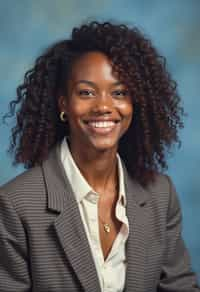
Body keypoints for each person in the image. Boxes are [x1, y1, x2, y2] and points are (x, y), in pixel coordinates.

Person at [0, 21, 199, 292]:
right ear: (63, 103)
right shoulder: (16, 204)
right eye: (86, 92)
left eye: (119, 93)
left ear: (135, 102)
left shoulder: (160, 194)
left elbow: (180, 286)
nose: (104, 106)